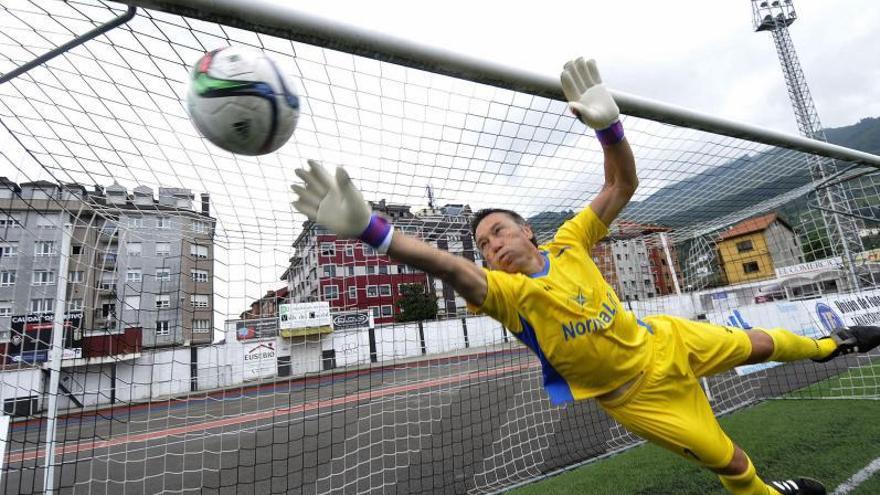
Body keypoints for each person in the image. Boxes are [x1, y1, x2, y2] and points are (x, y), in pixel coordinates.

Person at [291, 57, 880, 495]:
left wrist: (610, 128)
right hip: (636, 397)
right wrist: (371, 229)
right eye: (483, 243)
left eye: (498, 230)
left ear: (528, 233)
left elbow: (621, 185)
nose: (491, 244)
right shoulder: (507, 296)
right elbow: (447, 267)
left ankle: (834, 343)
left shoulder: (571, 242)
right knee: (725, 460)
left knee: (759, 342)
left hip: (664, 341)